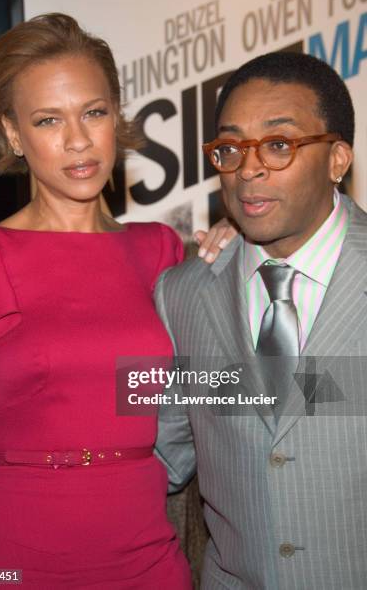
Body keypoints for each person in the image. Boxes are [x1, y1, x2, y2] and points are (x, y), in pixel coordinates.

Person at [0, 13, 234, 589]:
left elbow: (223, 391)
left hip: (145, 554)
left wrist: (245, 262)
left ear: (117, 115)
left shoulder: (159, 249)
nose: (78, 140)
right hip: (4, 559)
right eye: (47, 120)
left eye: (93, 112)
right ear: (13, 134)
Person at [154, 52, 366, 589]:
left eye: (279, 144)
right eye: (231, 148)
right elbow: (160, 462)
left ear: (338, 159)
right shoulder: (181, 294)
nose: (248, 169)